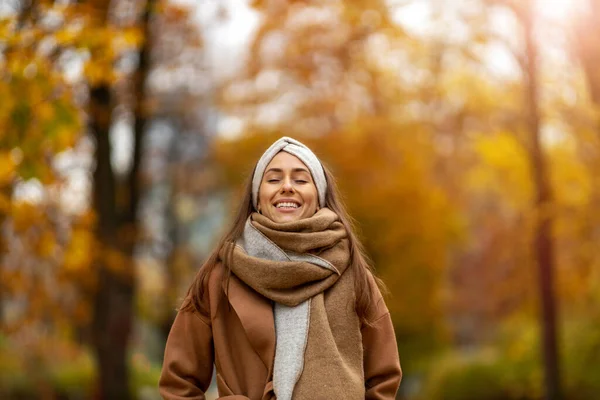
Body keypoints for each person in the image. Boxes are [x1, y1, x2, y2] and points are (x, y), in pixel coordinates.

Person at [159, 137, 402, 400]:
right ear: (257, 199)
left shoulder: (352, 274)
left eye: (300, 180)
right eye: (273, 179)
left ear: (319, 197)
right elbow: (179, 382)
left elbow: (384, 377)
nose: (287, 187)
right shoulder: (219, 278)